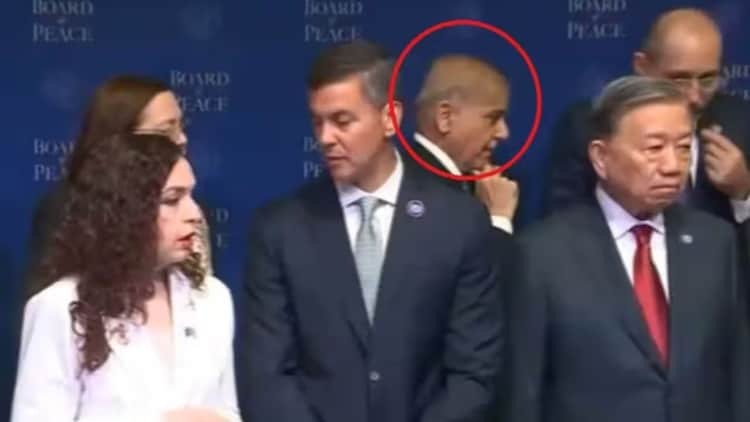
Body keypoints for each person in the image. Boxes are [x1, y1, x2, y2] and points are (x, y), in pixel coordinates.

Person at [237, 40, 503, 422]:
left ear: (390, 117)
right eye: (318, 122)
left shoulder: (458, 223)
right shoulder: (280, 229)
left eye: (342, 121)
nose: (326, 137)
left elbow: (474, 374)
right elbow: (268, 377)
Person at [508, 76, 749, 422]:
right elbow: (522, 394)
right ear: (601, 157)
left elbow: (738, 374)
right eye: (654, 148)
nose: (673, 166)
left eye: (684, 148)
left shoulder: (715, 243)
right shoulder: (542, 255)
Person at [11, 133, 240, 422]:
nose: (194, 214)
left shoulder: (213, 298)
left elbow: (226, 410)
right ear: (125, 210)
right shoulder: (59, 307)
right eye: (172, 200)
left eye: (191, 196)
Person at [545, 8, 750, 225]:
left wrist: (744, 192)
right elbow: (563, 228)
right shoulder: (589, 126)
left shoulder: (740, 122)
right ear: (642, 67)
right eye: (679, 80)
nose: (694, 96)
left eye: (707, 80)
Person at [25, 75, 213, 291]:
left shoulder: (191, 211)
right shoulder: (67, 209)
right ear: (121, 137)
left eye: (181, 126)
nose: (182, 139)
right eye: (164, 131)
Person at [413, 54, 518, 234]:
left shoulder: (457, 187)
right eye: (493, 118)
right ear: (445, 118)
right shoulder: (421, 190)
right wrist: (498, 218)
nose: (503, 133)